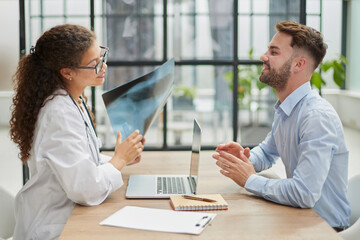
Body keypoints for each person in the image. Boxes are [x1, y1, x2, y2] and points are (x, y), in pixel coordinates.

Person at [9, 24, 145, 239]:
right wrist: (118, 161)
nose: (104, 66)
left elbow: (77, 157)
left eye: (102, 56)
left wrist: (121, 158)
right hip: (53, 227)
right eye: (95, 64)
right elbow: (85, 189)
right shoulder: (59, 113)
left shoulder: (72, 99)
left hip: (68, 216)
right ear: (67, 72)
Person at [212, 20, 350, 230]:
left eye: (273, 52)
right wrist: (245, 157)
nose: (263, 57)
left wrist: (250, 180)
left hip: (324, 229)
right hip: (300, 219)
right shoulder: (287, 109)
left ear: (298, 65)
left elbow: (304, 193)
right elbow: (267, 153)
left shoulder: (316, 117)